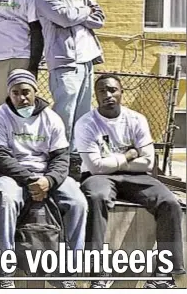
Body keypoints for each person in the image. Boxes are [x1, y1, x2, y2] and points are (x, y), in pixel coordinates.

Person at [76, 74, 184, 289]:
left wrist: (113, 163)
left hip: (136, 176)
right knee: (95, 197)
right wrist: (127, 156)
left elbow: (147, 162)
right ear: (95, 96)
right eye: (102, 91)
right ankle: (98, 271)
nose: (108, 95)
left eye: (113, 90)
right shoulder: (86, 123)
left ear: (121, 92)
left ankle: (164, 274)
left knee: (170, 203)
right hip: (99, 177)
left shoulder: (136, 119)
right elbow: (95, 166)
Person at [0, 69, 86, 289]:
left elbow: (61, 157)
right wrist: (30, 180)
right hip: (12, 175)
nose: (21, 98)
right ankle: (5, 271)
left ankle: (69, 271)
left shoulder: (51, 118)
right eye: (15, 93)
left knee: (78, 202)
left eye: (25, 92)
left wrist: (49, 181)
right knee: (7, 201)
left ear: (35, 91)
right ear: (9, 94)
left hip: (47, 175)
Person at [35, 0, 105, 175]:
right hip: (65, 60)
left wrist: (78, 14)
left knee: (83, 114)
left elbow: (100, 18)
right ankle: (57, 159)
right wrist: (85, 12)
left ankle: (75, 159)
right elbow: (62, 17)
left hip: (87, 59)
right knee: (64, 113)